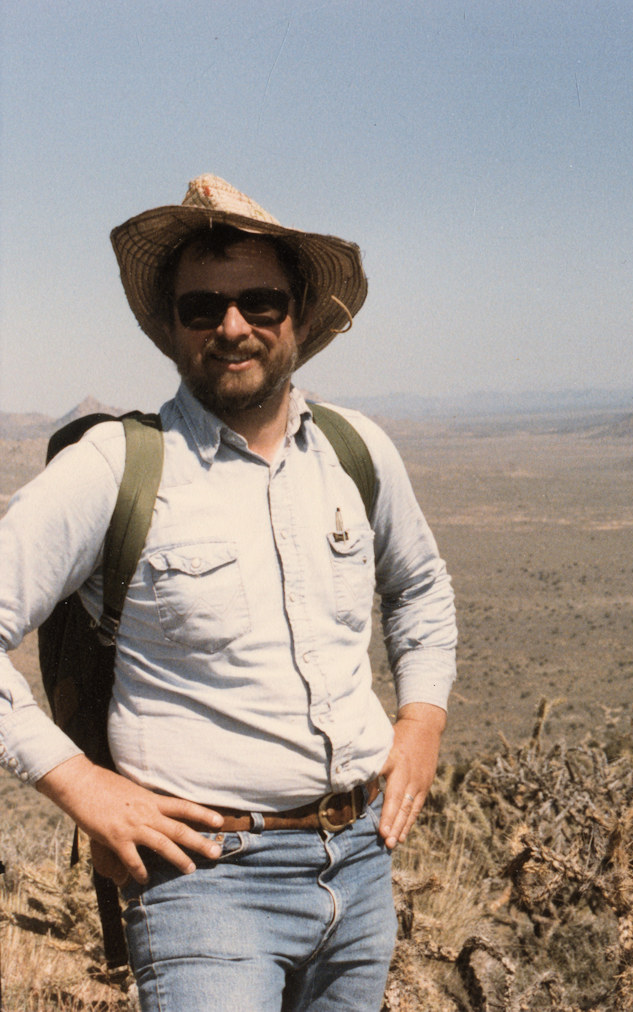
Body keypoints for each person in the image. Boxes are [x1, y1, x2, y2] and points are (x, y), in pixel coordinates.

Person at [0, 175, 457, 1009]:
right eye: (202, 308)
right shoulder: (115, 467)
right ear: (171, 330)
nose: (233, 326)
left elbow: (419, 587)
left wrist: (421, 720)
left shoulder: (358, 452)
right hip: (206, 881)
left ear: (303, 317)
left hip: (360, 866)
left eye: (260, 302)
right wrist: (79, 784)